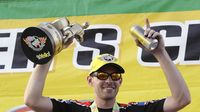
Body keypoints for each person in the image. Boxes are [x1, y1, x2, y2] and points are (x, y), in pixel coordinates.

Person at [24, 19, 191, 112]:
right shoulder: (76, 110)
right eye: (102, 75)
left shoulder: (133, 111)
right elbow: (32, 100)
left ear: (121, 81)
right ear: (90, 80)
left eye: (115, 76)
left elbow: (181, 100)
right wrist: (48, 54)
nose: (109, 80)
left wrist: (160, 53)